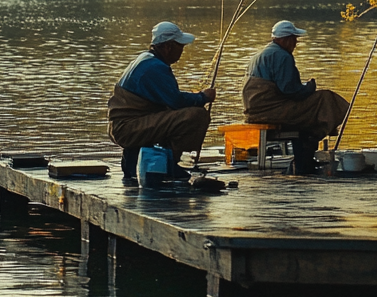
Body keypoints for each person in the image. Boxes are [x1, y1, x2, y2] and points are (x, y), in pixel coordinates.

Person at [108, 21, 217, 185]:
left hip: (124, 125)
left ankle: (138, 159)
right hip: (128, 128)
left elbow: (167, 100)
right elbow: (176, 102)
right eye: (180, 46)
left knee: (171, 113)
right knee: (196, 115)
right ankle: (168, 165)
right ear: (168, 47)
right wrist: (203, 97)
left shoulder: (145, 59)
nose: (182, 51)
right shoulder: (155, 67)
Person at [241, 20, 349, 175]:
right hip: (271, 111)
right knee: (326, 98)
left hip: (255, 110)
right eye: (294, 39)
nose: (296, 43)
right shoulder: (282, 56)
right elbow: (290, 91)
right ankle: (314, 139)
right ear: (285, 40)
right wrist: (309, 88)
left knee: (309, 116)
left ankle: (307, 152)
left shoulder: (260, 54)